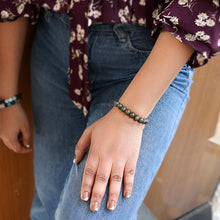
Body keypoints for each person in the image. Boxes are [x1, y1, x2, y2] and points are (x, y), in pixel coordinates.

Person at [0, 1, 219, 219]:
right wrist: (6, 98)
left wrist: (129, 117)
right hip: (55, 40)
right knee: (47, 209)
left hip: (152, 54)